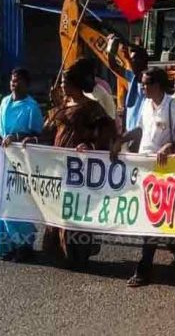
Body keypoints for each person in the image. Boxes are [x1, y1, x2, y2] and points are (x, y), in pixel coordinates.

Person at [114, 67, 175, 286]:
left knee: (152, 219)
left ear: (157, 85)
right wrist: (121, 140)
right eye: (142, 83)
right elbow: (139, 130)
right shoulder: (145, 106)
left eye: (146, 83)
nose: (143, 87)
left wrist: (170, 145)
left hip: (164, 171)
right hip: (145, 169)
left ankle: (143, 269)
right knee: (151, 217)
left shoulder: (173, 106)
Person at [33, 61, 117, 269]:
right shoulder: (62, 107)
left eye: (64, 82)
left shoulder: (91, 107)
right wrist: (31, 142)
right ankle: (57, 251)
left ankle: (79, 253)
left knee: (76, 206)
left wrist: (89, 145)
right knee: (58, 205)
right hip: (58, 167)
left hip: (79, 168)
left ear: (75, 83)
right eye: (60, 82)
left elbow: (107, 131)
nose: (61, 85)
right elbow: (47, 131)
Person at [0, 68, 44, 261]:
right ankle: (7, 245)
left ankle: (24, 245)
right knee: (2, 201)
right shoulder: (5, 101)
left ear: (26, 84)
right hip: (3, 159)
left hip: (21, 163)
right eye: (13, 80)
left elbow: (38, 135)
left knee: (19, 203)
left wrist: (18, 137)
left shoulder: (31, 107)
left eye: (19, 81)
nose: (14, 84)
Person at [123, 45, 149, 136]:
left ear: (142, 62)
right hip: (130, 129)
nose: (131, 62)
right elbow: (114, 66)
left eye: (133, 59)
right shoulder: (132, 77)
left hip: (141, 133)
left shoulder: (148, 81)